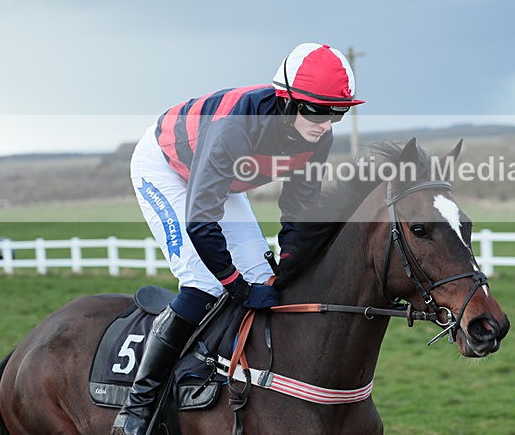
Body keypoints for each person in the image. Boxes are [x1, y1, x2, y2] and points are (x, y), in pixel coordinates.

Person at [111, 42, 364, 435]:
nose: (326, 123)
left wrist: (286, 270)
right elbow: (201, 219)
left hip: (219, 180)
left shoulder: (319, 137)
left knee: (263, 277)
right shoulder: (236, 127)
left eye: (338, 112)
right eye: (317, 109)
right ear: (287, 99)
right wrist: (234, 285)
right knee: (205, 283)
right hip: (166, 168)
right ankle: (137, 408)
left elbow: (298, 210)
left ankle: (235, 372)